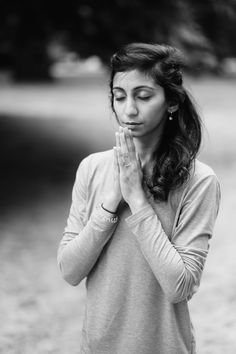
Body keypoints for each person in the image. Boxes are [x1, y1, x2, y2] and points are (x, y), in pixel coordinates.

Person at [57, 43, 221, 354]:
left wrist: (138, 200)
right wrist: (110, 203)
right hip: (97, 346)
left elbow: (179, 286)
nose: (129, 109)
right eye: (120, 97)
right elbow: (70, 270)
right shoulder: (92, 168)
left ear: (171, 102)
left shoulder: (199, 181)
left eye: (143, 96)